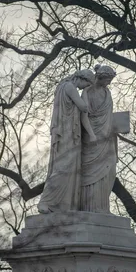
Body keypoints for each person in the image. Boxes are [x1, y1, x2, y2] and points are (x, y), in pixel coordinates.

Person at [37, 69, 96, 214]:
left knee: (68, 167)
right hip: (66, 132)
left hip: (68, 131)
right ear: (82, 79)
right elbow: (83, 107)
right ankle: (46, 201)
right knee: (63, 166)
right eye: (86, 84)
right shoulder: (69, 87)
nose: (85, 88)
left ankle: (62, 203)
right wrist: (86, 95)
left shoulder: (64, 86)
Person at [80, 64, 117, 213]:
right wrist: (91, 134)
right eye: (108, 80)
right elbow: (84, 115)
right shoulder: (87, 91)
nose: (109, 83)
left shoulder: (107, 92)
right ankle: (91, 207)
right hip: (92, 137)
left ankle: (102, 206)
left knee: (110, 168)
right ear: (101, 77)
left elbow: (108, 116)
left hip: (107, 136)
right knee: (91, 171)